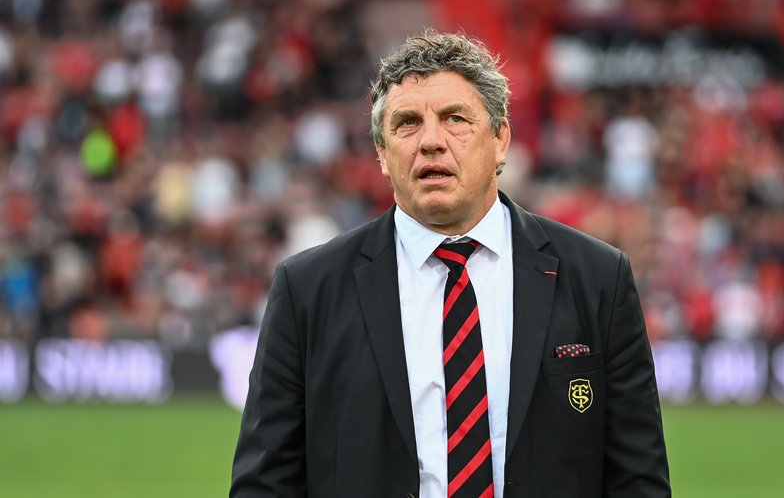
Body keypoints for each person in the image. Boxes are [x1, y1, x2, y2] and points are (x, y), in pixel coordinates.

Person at [230, 30, 670, 497]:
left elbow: (637, 480)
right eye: (407, 123)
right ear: (382, 153)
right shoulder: (308, 289)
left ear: (500, 139)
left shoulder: (598, 277)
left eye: (455, 119)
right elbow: (265, 483)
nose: (431, 141)